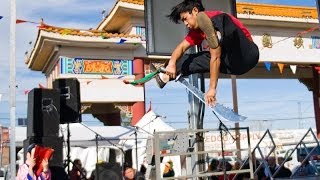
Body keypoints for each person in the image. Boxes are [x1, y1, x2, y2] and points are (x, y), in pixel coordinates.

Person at [153, 0, 259, 106]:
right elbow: (181, 48)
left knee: (222, 20)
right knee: (191, 59)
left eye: (185, 19)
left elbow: (216, 58)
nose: (185, 24)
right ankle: (164, 76)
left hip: (246, 53)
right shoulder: (195, 32)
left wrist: (212, 89)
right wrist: (171, 64)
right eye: (183, 21)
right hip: (233, 64)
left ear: (195, 11)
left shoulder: (217, 16)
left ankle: (218, 34)